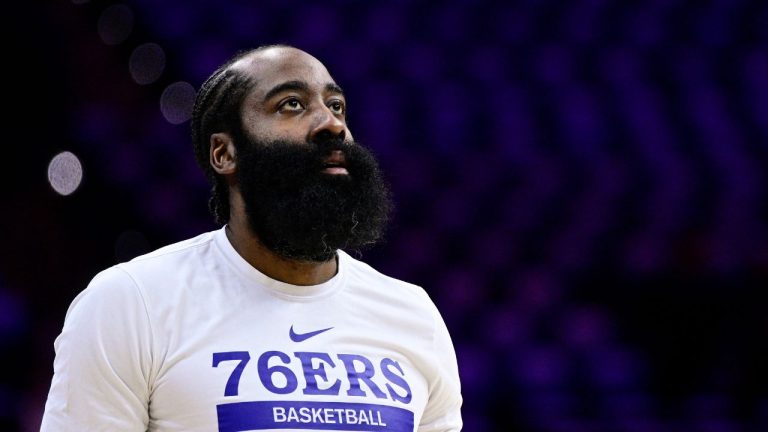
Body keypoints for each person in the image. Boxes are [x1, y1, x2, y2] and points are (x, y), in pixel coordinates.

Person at [40, 45, 463, 431]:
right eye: (292, 104)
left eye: (336, 106)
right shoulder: (133, 302)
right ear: (225, 153)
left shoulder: (412, 316)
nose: (331, 124)